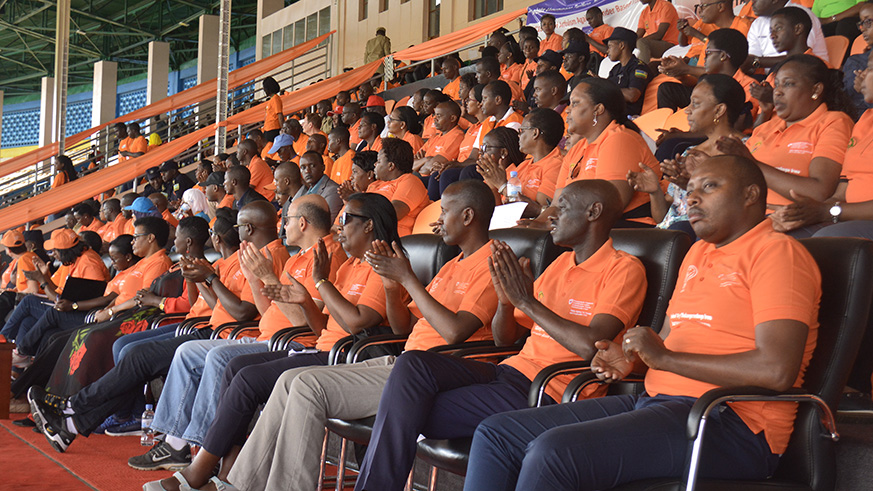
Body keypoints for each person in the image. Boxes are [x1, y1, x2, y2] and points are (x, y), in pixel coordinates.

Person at [463, 155, 821, 491]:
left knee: (554, 452)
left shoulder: (778, 253)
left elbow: (776, 371)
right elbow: (665, 340)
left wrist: (664, 360)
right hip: (659, 401)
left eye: (709, 187)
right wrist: (629, 358)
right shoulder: (698, 252)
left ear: (751, 195)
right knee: (498, 433)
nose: (692, 199)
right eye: (691, 190)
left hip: (731, 422)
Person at [354, 179, 647, 491]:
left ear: (594, 211)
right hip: (509, 372)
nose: (550, 215)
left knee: (404, 410)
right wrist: (507, 305)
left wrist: (526, 301)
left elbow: (593, 345)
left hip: (548, 390)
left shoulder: (624, 269)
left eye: (561, 207)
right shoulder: (560, 263)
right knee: (413, 365)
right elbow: (506, 339)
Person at [223, 180, 498, 491]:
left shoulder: (491, 263)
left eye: (445, 211)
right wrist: (395, 290)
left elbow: (454, 331)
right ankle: (241, 485)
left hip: (433, 371)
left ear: (467, 216)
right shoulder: (450, 266)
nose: (438, 218)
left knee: (306, 386)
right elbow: (402, 327)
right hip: (404, 361)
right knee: (291, 381)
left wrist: (406, 279)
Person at [137, 194, 378, 491]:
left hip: (305, 345)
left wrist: (270, 277)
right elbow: (275, 313)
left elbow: (304, 323)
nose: (283, 225)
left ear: (301, 223)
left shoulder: (328, 256)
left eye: (286, 219)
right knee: (229, 365)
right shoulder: (307, 259)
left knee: (236, 370)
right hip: (283, 339)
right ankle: (223, 468)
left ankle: (208, 469)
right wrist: (257, 278)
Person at [28, 206, 256, 454]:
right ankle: (72, 422)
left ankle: (74, 408)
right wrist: (197, 278)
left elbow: (232, 312)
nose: (173, 239)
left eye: (176, 235)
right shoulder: (218, 264)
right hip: (198, 325)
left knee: (131, 353)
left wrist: (203, 280)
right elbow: (208, 305)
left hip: (209, 331)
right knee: (124, 349)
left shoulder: (241, 264)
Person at [717, 54, 854, 210]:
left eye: (788, 84)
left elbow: (819, 192)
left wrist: (753, 163)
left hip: (792, 221)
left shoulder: (833, 122)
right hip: (741, 218)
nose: (778, 92)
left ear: (816, 90)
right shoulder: (765, 128)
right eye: (777, 85)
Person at [528, 78, 661, 228]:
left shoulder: (620, 138)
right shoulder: (577, 149)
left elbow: (609, 207)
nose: (568, 109)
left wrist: (550, 226)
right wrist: (533, 226)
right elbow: (556, 205)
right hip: (582, 228)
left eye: (575, 103)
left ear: (598, 110)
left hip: (624, 231)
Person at [629, 74, 748, 238]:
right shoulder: (689, 152)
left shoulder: (747, 150)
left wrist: (700, 179)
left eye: (696, 104)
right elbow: (663, 218)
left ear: (719, 110)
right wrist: (655, 191)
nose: (688, 110)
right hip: (668, 238)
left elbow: (740, 206)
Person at [1, 229, 109, 346]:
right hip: (70, 307)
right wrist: (44, 276)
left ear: (64, 251)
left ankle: (6, 342)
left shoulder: (88, 261)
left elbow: (97, 294)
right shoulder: (73, 260)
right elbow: (58, 292)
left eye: (55, 251)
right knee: (28, 321)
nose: (53, 255)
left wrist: (42, 280)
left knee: (29, 302)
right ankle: (17, 355)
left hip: (84, 313)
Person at [478, 109, 565, 216]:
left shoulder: (555, 165)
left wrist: (502, 185)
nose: (518, 136)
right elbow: (501, 210)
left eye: (522, 131)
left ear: (535, 133)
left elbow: (541, 211)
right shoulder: (524, 165)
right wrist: (492, 184)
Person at [368, 138, 430, 236]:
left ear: (391, 166)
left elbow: (394, 212)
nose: (375, 164)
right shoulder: (375, 184)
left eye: (379, 161)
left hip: (392, 239)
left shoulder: (410, 180)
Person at [747, 0, 829, 70]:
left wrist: (756, 61)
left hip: (809, 74)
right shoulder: (757, 24)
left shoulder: (800, 15)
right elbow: (752, 58)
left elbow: (800, 57)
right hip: (774, 76)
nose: (752, 2)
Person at [604, 27, 652, 116]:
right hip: (610, 113)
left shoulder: (639, 67)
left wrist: (605, 87)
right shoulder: (616, 68)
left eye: (610, 46)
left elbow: (632, 96)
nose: (607, 51)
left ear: (621, 45)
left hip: (627, 117)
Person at [415, 101, 465, 177]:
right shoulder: (434, 138)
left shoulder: (456, 136)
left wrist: (420, 164)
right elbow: (411, 165)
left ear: (452, 118)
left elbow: (426, 169)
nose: (435, 119)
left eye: (439, 116)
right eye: (435, 115)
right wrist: (427, 159)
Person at [843, 3, 873, 117]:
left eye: (868, 22)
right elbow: (850, 106)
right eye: (861, 23)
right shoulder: (856, 63)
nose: (862, 29)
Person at [262, 77, 283, 142]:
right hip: (268, 129)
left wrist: (283, 129)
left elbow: (279, 115)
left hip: (273, 129)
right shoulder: (272, 99)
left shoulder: (275, 99)